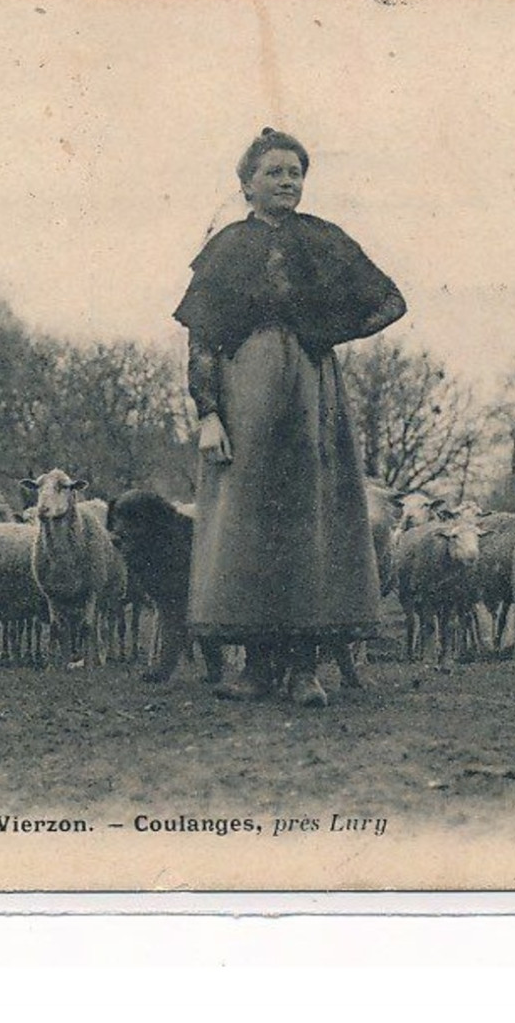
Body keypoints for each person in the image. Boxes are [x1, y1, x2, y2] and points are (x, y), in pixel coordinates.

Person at [173, 128, 407, 707]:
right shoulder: (226, 248)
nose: (287, 182)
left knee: (308, 519)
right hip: (242, 394)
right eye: (274, 172)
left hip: (311, 393)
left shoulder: (324, 241)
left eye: (295, 173)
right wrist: (209, 414)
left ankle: (306, 669)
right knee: (249, 522)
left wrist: (322, 333)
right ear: (247, 184)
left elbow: (388, 301)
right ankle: (256, 667)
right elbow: (202, 338)